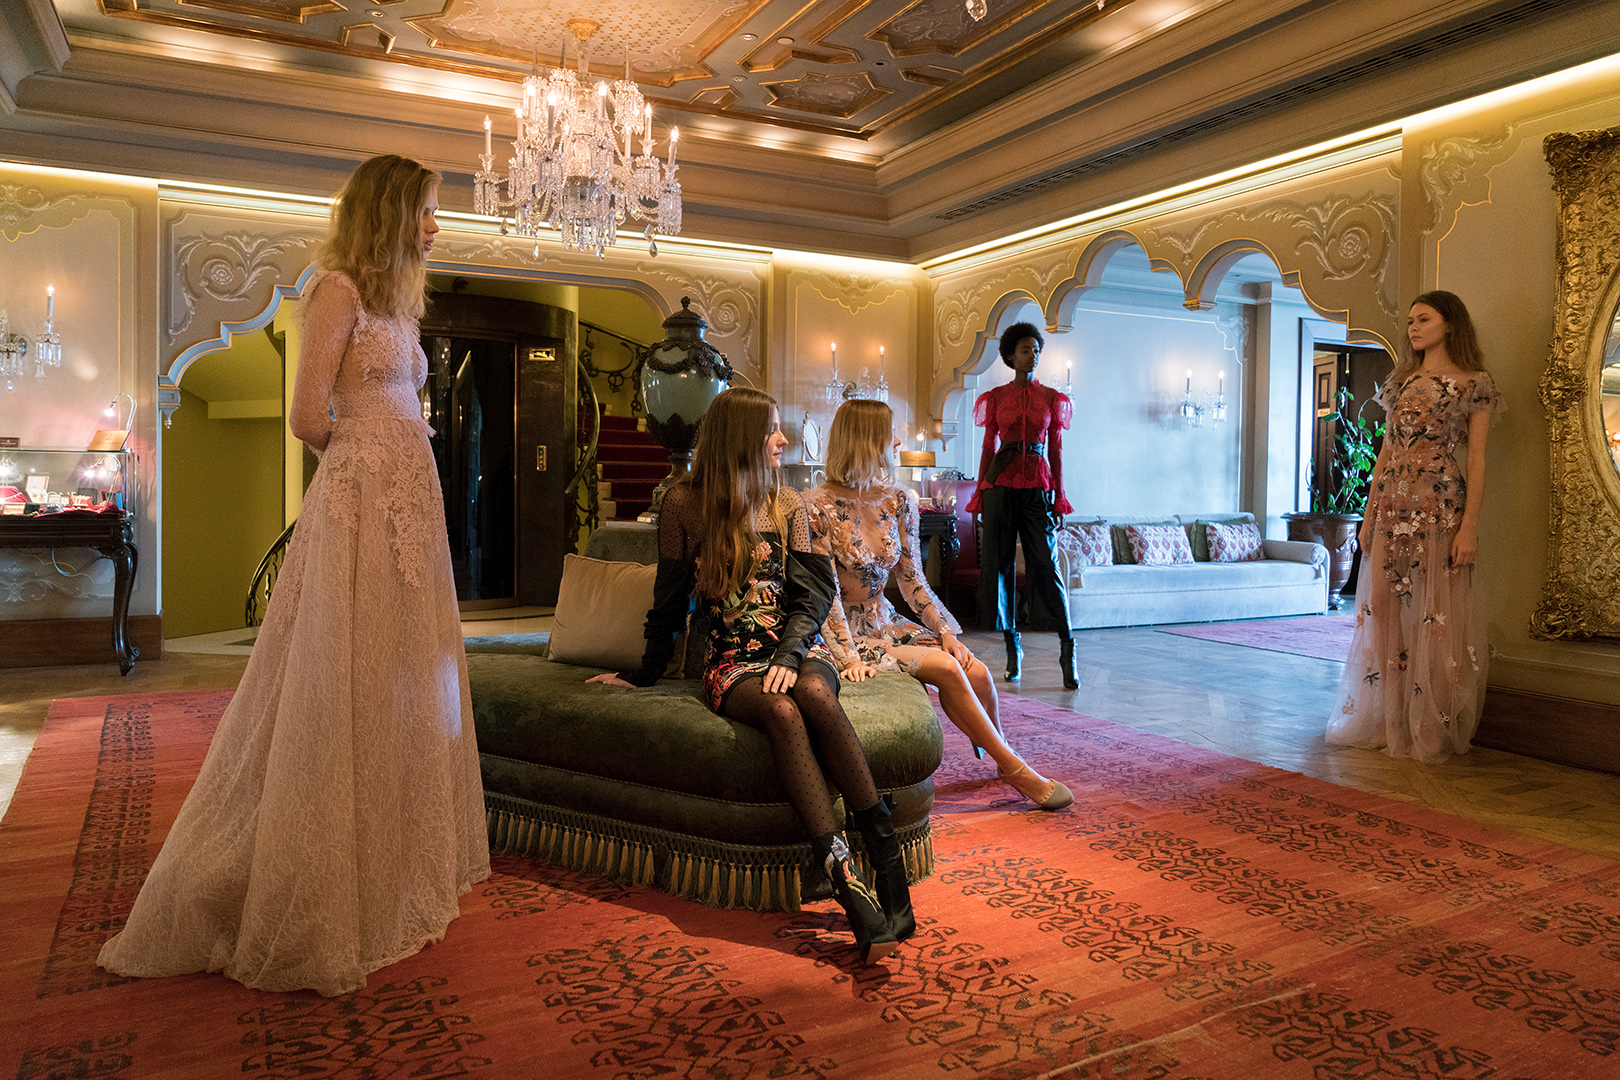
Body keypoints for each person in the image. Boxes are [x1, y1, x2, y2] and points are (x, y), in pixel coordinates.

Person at [98, 155, 490, 996]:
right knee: (345, 674)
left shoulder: (398, 303)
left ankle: (389, 852)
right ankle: (312, 872)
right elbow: (308, 414)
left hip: (409, 504)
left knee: (401, 676)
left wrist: (398, 458)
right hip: (362, 502)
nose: (436, 226)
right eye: (426, 210)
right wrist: (367, 464)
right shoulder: (338, 289)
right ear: (390, 213)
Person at [588, 387, 912, 964]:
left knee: (813, 693)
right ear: (742, 437)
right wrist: (643, 674)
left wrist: (789, 655)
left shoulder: (787, 504)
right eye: (773, 430)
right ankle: (848, 882)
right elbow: (669, 601)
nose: (782, 440)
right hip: (730, 661)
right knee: (782, 711)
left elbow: (812, 596)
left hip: (796, 648)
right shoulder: (685, 505)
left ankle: (887, 861)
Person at [808, 400, 1073, 811]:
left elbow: (913, 581)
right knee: (947, 669)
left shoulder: (897, 500)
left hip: (886, 621)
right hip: (845, 634)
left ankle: (1000, 753)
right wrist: (847, 658)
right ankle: (1017, 770)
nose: (898, 442)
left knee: (976, 670)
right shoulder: (817, 507)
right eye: (890, 434)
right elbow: (825, 598)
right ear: (866, 441)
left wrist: (946, 632)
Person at [1327, 290, 1501, 762]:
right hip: (1392, 508)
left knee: (1436, 617)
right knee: (1383, 611)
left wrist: (1469, 527)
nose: (1413, 328)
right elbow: (1385, 453)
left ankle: (1429, 729)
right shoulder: (1402, 380)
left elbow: (1478, 460)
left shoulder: (1474, 383)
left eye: (1423, 319)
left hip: (1440, 507)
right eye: (1410, 321)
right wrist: (1367, 516)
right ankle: (1392, 720)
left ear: (1450, 324)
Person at [966, 321, 1080, 689]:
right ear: (1011, 356)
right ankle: (1012, 648)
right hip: (999, 484)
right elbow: (987, 447)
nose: (1033, 355)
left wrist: (1059, 498)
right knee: (999, 566)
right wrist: (980, 494)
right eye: (1026, 350)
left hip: (1037, 487)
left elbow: (1056, 451)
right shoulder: (996, 397)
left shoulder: (1051, 397)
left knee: (1046, 565)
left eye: (1036, 350)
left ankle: (1067, 649)